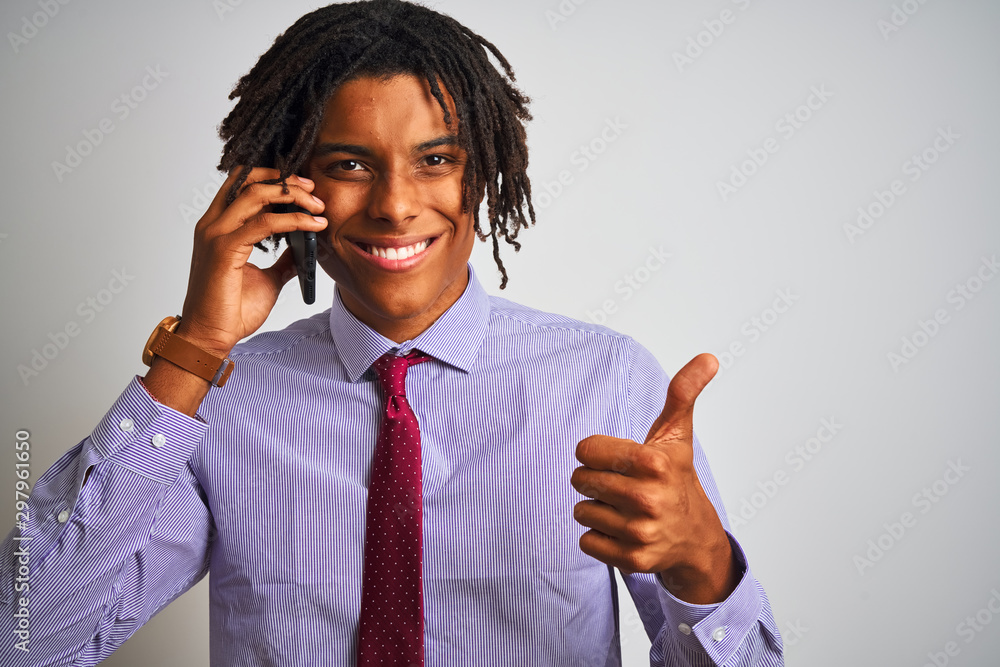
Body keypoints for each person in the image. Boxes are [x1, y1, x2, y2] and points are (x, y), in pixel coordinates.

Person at [2, 1, 783, 664]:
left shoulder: (605, 379)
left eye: (435, 158)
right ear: (286, 184)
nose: (397, 205)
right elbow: (26, 637)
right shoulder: (219, 401)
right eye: (350, 164)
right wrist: (196, 348)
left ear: (485, 175)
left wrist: (702, 562)